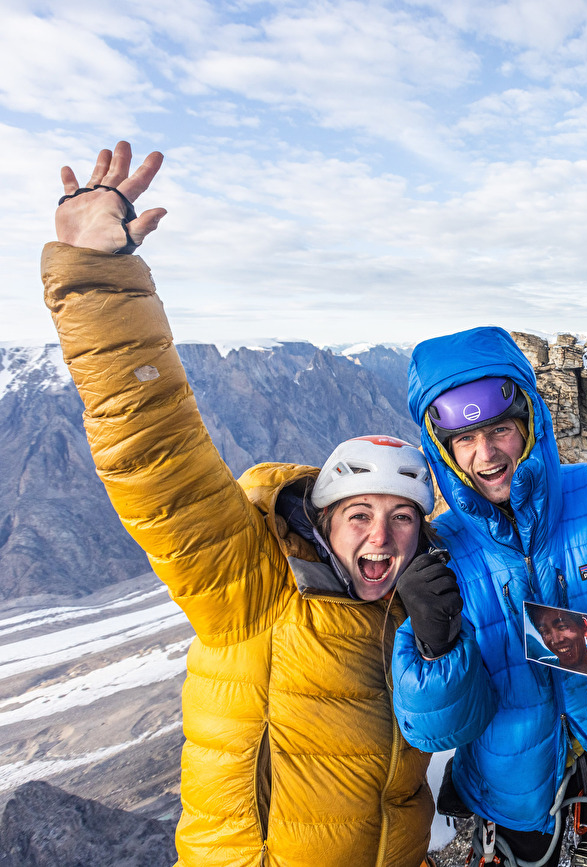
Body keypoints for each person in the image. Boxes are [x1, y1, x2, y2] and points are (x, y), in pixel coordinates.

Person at [43, 142, 438, 866]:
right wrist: (98, 275)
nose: (381, 535)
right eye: (359, 514)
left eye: (402, 516)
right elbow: (152, 448)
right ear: (321, 522)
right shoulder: (253, 586)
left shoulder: (413, 604)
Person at [389, 332, 587, 867]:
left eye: (500, 430)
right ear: (441, 449)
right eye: (464, 440)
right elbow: (437, 731)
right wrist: (436, 646)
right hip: (516, 805)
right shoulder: (439, 553)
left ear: (530, 423)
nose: (485, 456)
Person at [528, 605, 587, 677]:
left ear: (584, 627)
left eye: (562, 626)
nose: (556, 640)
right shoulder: (544, 669)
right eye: (544, 631)